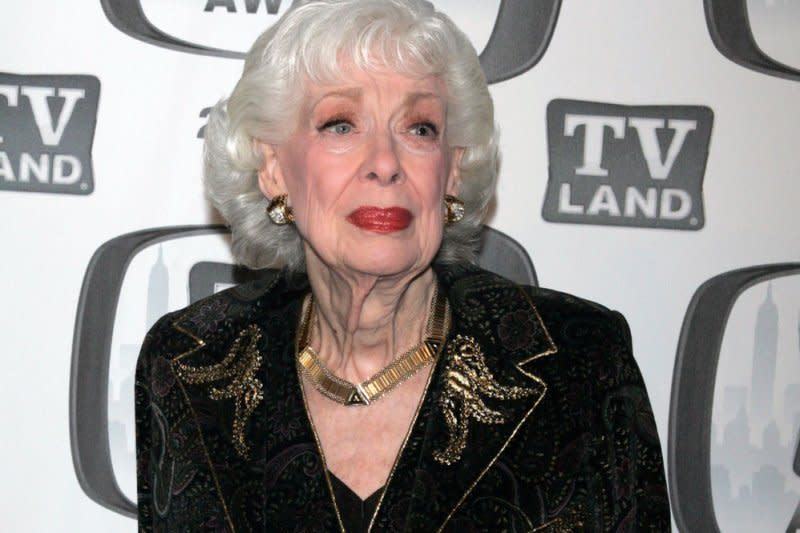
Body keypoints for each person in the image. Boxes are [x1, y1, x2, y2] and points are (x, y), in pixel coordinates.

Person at [135, 0, 670, 531]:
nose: (387, 163)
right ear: (272, 168)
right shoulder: (189, 366)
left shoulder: (578, 363)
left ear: (453, 171)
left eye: (419, 129)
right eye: (341, 125)